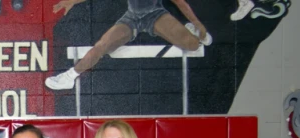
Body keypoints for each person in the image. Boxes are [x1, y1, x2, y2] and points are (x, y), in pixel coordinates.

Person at [46, 0, 211, 90]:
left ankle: (196, 33)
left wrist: (197, 23)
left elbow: (180, 3)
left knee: (193, 45)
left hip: (156, 14)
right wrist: (73, 2)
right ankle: (69, 76)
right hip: (132, 19)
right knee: (103, 45)